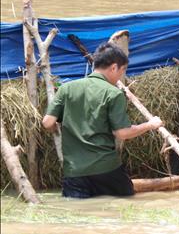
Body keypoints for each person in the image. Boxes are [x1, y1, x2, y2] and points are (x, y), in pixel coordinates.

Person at [42, 42, 162, 198]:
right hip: (106, 169)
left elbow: (47, 123)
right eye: (123, 70)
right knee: (125, 207)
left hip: (74, 171)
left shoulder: (66, 88)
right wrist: (150, 125)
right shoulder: (113, 93)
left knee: (77, 215)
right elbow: (122, 133)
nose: (122, 75)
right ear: (113, 68)